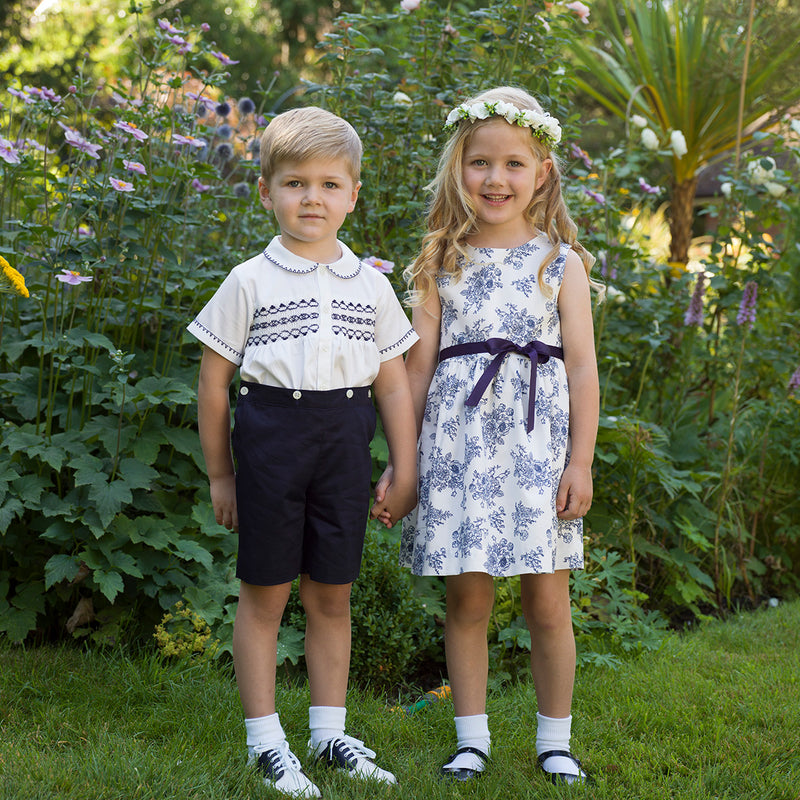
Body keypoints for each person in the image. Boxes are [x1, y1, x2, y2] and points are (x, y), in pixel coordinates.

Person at [188, 106, 419, 799]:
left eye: (327, 184)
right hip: (271, 443)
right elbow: (213, 382)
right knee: (266, 594)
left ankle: (327, 733)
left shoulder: (371, 286)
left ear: (352, 194)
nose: (311, 198)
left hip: (345, 442)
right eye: (294, 183)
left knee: (333, 593)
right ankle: (267, 743)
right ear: (266, 192)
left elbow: (396, 384)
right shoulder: (248, 281)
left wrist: (404, 466)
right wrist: (220, 474)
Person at [377, 86, 600, 785]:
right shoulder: (441, 260)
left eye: (512, 164)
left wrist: (582, 463)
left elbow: (585, 369)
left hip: (538, 454)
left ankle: (554, 740)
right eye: (479, 163)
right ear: (457, 169)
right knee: (467, 601)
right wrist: (402, 465)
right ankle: (470, 738)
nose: (495, 179)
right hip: (460, 455)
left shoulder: (561, 263)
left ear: (542, 172)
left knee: (548, 601)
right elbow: (415, 373)